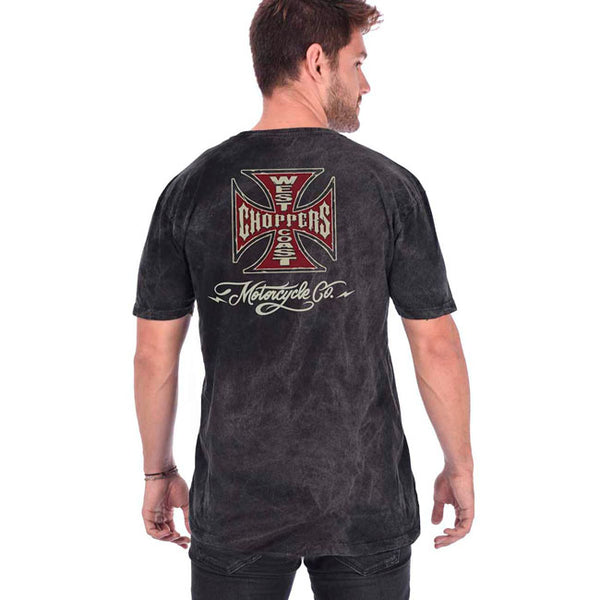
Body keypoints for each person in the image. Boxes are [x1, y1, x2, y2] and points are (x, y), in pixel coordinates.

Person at [132, 1, 474, 598]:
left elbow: (153, 355)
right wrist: (460, 466)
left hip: (235, 503)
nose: (366, 83)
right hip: (364, 500)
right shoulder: (388, 187)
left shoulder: (191, 189)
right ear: (318, 61)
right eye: (357, 62)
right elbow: (435, 343)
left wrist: (157, 471)